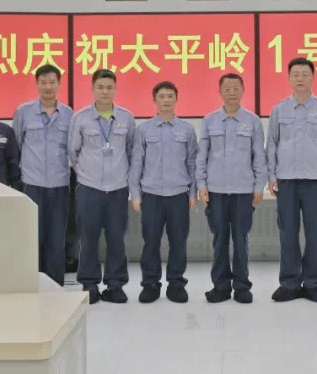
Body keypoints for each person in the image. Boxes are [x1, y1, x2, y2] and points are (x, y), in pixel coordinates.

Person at [266, 57, 317, 303]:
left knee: (316, 234)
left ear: (313, 77)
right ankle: (289, 283)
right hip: (286, 181)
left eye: (305, 74)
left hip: (315, 182)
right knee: (288, 234)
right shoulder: (279, 109)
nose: (300, 79)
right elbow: (272, 144)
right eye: (295, 74)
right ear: (289, 78)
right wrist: (271, 176)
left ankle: (313, 283)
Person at [197, 73, 268, 305]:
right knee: (219, 239)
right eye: (227, 89)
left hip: (243, 191)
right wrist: (202, 184)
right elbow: (202, 156)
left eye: (236, 88)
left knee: (240, 239)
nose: (231, 93)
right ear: (220, 92)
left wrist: (259, 186)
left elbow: (259, 157)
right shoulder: (209, 121)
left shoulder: (253, 121)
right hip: (216, 190)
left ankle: (241, 286)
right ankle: (220, 286)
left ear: (243, 90)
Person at [68, 69, 136, 304]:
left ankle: (115, 284)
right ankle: (89, 284)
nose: (105, 92)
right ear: (92, 89)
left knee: (117, 238)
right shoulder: (80, 118)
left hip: (118, 189)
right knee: (88, 238)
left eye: (109, 87)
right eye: (100, 87)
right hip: (90, 188)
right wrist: (87, 174)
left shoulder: (126, 117)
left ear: (115, 89)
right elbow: (73, 152)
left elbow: (131, 151)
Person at [129, 81, 198, 304]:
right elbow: (136, 164)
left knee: (178, 241)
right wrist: (135, 194)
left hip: (178, 194)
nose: (166, 100)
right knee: (151, 241)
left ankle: (176, 284)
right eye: (162, 96)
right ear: (155, 100)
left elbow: (192, 164)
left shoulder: (186, 130)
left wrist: (193, 193)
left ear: (176, 99)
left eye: (170, 96)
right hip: (151, 195)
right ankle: (150, 284)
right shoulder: (143, 130)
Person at [12, 65, 73, 287]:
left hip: (59, 183)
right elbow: (17, 145)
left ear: (59, 84)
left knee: (56, 238)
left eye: (52, 82)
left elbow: (72, 148)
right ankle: (33, 282)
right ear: (37, 84)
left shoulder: (68, 113)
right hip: (32, 183)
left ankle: (55, 284)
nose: (48, 87)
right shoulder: (23, 112)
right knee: (32, 236)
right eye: (44, 82)